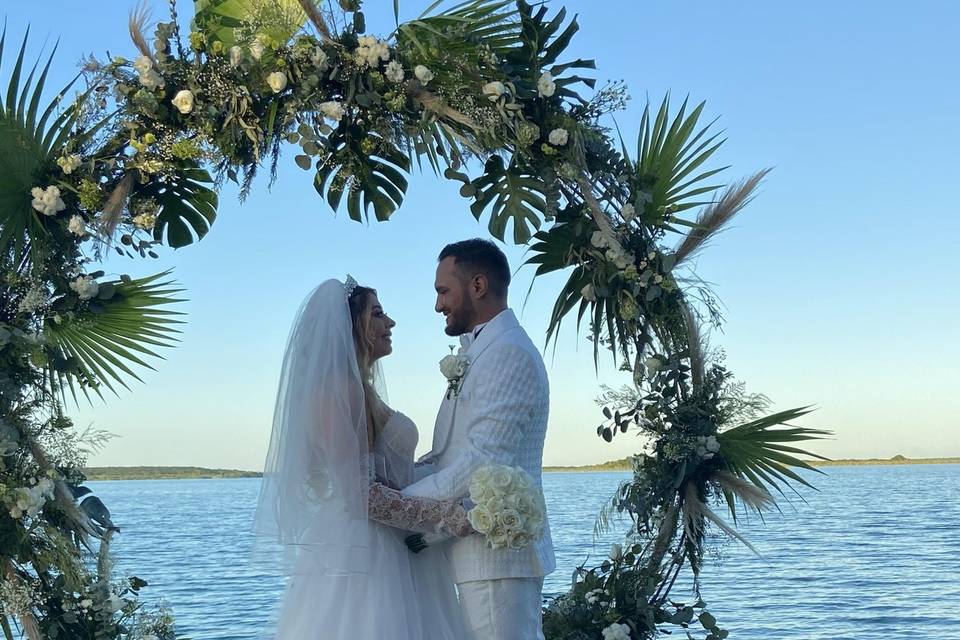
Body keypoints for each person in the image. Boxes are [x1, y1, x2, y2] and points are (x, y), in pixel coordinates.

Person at [254, 277, 469, 639]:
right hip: (368, 553)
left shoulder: (357, 388)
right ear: (353, 327)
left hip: (390, 543)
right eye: (379, 314)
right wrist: (448, 516)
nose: (391, 324)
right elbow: (360, 495)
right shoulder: (340, 390)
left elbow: (388, 473)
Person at [405, 239, 556, 640]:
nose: (438, 305)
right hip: (472, 555)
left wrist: (399, 504)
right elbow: (447, 454)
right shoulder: (481, 351)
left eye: (442, 291)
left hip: (498, 560)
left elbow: (482, 459)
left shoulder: (508, 353)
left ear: (477, 285)